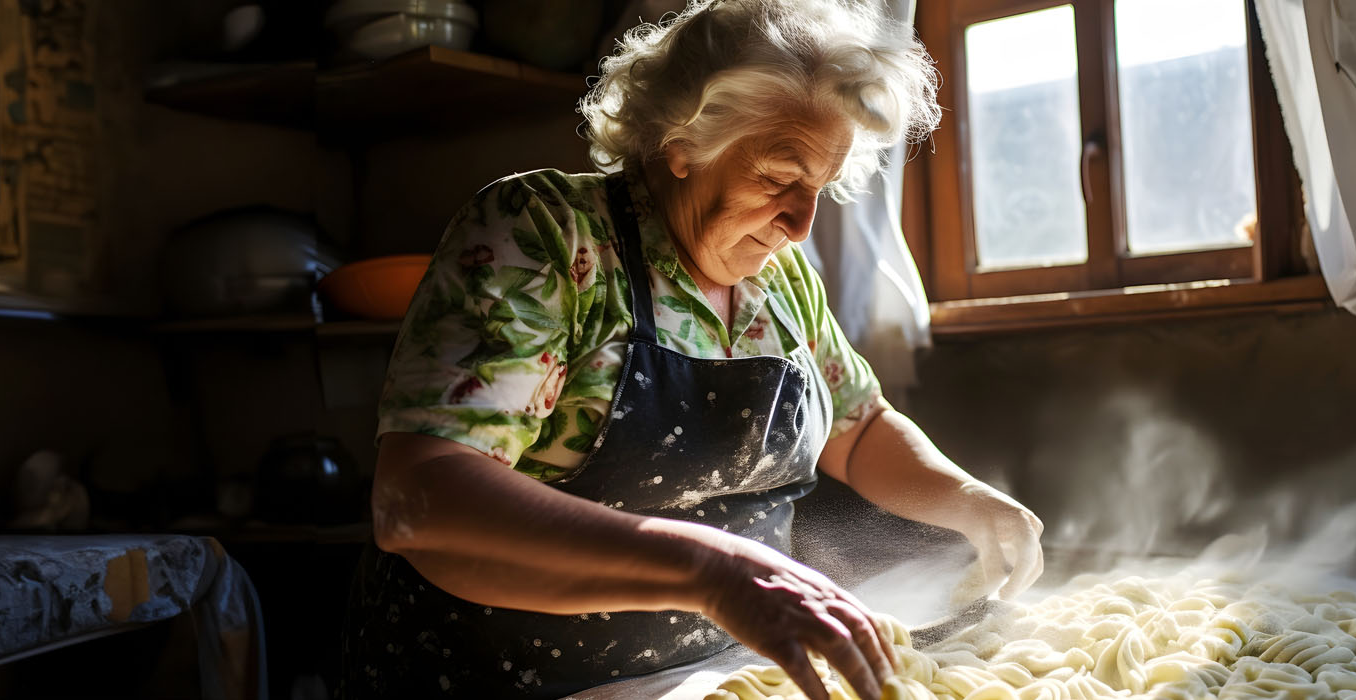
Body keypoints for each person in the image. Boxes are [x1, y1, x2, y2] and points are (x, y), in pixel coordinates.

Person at [337, 2, 1044, 698]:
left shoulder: (781, 277)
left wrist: (971, 501)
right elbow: (420, 496)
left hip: (710, 678)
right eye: (778, 178)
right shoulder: (547, 235)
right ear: (681, 144)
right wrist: (713, 570)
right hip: (504, 679)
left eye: (821, 188)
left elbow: (858, 429)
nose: (801, 226)